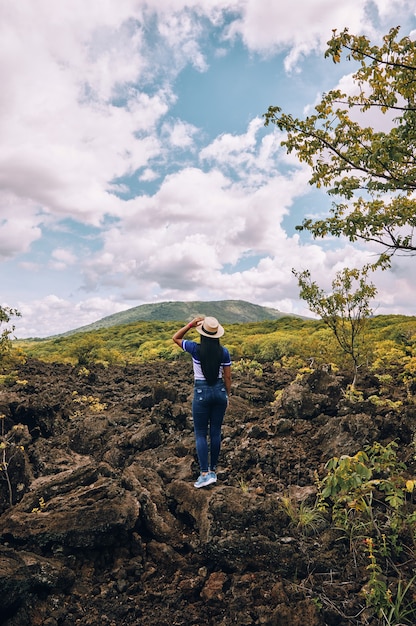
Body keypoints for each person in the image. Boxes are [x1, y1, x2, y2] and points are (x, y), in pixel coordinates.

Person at [173, 316, 231, 488]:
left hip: (201, 393)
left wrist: (190, 324)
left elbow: (175, 338)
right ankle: (213, 470)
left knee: (200, 433)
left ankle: (204, 474)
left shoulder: (195, 349)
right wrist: (227, 395)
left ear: (202, 333)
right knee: (215, 432)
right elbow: (227, 377)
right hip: (219, 392)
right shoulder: (224, 352)